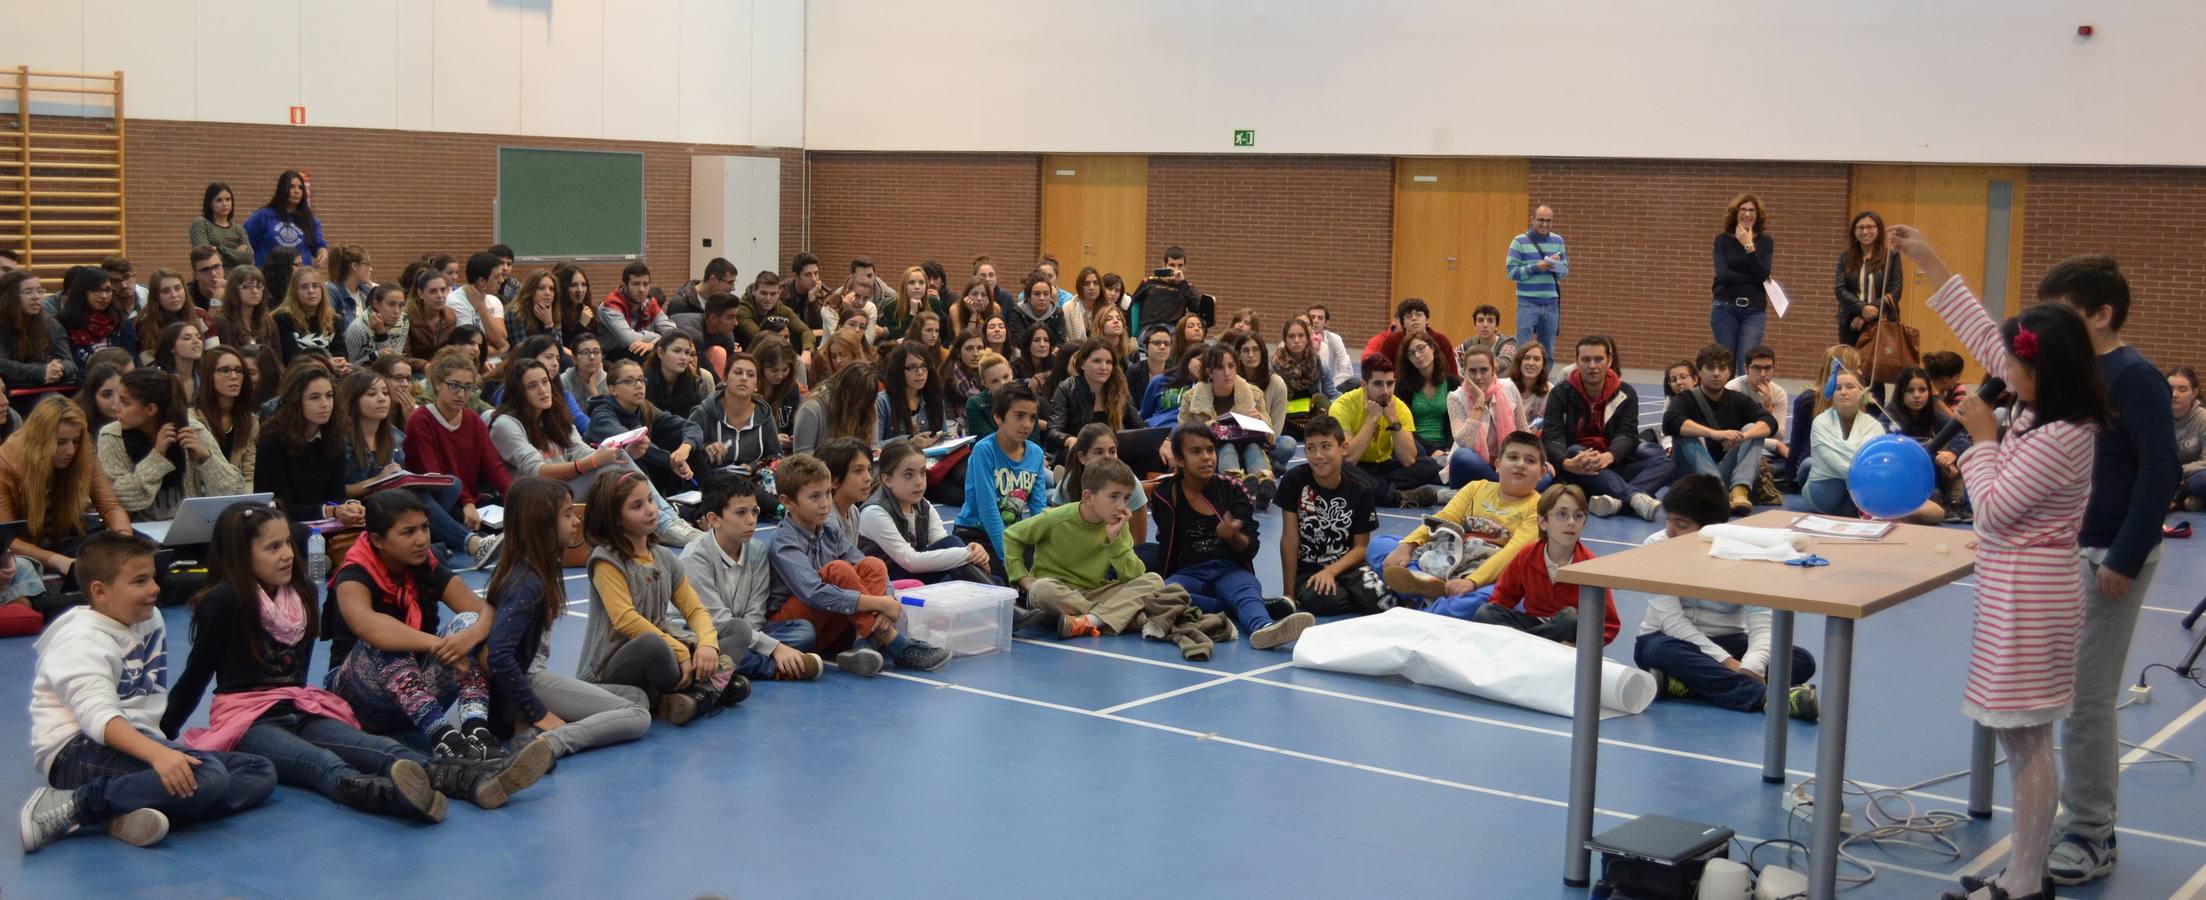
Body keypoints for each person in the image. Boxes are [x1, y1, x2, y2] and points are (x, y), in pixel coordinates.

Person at [1894, 228, 2168, 893]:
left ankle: (2089, 831)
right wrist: (1930, 262)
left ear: (2097, 317)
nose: (2013, 356)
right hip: (2049, 558)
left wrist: (2124, 556)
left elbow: (2157, 475)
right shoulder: (2054, 384)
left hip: (2099, 553)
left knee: (2081, 705)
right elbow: (1990, 337)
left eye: (2060, 313)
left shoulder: (2123, 385)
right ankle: (2039, 854)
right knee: (2042, 717)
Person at [159, 504, 446, 823]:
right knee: (321, 763)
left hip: (298, 706)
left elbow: (296, 674)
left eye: (287, 544)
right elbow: (197, 673)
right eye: (272, 547)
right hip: (249, 721)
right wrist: (163, 734)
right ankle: (398, 798)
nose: (287, 555)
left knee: (377, 748)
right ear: (241, 554)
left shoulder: (301, 593)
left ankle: (462, 778)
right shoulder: (223, 601)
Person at [19, 531, 276, 853]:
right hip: (76, 751)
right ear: (99, 591)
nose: (155, 588)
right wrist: (159, 754)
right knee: (209, 778)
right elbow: (99, 719)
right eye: (140, 581)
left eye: (153, 577)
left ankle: (126, 810)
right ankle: (76, 804)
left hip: (133, 740)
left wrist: (162, 748)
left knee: (257, 769)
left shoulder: (148, 617)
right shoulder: (81, 640)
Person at [322, 490, 552, 808]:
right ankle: (443, 737)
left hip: (411, 697)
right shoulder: (353, 575)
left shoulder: (425, 565)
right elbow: (369, 627)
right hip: (359, 698)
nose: (421, 539)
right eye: (408, 532)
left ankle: (476, 730)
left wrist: (468, 639)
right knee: (389, 638)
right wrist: (438, 643)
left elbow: (484, 610)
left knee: (468, 623)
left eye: (424, 528)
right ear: (377, 540)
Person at [482, 474, 648, 756]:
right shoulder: (527, 582)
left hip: (530, 684)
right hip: (525, 687)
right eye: (567, 514)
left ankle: (529, 732)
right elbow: (499, 656)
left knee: (637, 696)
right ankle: (549, 742)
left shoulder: (538, 570)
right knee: (638, 715)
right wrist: (538, 712)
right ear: (541, 524)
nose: (576, 521)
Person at [1633, 474, 1820, 718]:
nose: (1669, 531)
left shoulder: (1745, 553)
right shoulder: (1655, 546)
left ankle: (1685, 685)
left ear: (1711, 529)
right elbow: (1672, 622)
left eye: (1681, 525)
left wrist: (1752, 665)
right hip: (1669, 640)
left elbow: (1762, 622)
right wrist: (1730, 664)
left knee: (1801, 659)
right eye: (1669, 521)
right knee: (1660, 651)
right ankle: (1768, 698)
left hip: (1729, 640)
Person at [576, 470, 747, 725]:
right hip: (616, 664)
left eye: (650, 500)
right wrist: (680, 650)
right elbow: (625, 620)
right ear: (615, 518)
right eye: (637, 506)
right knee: (652, 646)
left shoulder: (664, 557)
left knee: (739, 628)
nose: (650, 510)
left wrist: (708, 645)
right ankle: (711, 687)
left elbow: (695, 610)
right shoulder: (606, 560)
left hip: (668, 651)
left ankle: (699, 694)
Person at [766, 453, 951, 676]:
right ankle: (893, 642)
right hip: (795, 624)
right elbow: (813, 593)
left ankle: (864, 644)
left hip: (829, 620)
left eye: (827, 494)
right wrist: (880, 604)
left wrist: (888, 597)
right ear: (787, 502)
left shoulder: (829, 530)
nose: (825, 503)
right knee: (838, 569)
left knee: (873, 564)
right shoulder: (784, 542)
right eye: (815, 497)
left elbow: (865, 564)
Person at [1151, 425, 1315, 649]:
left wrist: (1233, 536)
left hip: (1229, 569)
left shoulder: (1233, 489)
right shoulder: (1165, 494)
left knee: (1246, 590)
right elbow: (1166, 543)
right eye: (1196, 452)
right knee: (1161, 595)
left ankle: (1263, 628)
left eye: (1210, 450)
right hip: (1189, 572)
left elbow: (1251, 547)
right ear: (1179, 460)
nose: (1207, 457)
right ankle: (1235, 607)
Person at [1006, 455, 1182, 641]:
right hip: (1058, 593)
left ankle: (1090, 621)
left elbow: (1134, 577)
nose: (1122, 506)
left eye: (1126, 498)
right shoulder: (1057, 518)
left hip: (1095, 591)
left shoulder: (1118, 524)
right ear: (1088, 497)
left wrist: (1116, 541)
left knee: (1153, 580)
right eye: (1114, 497)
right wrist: (1022, 577)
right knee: (1041, 589)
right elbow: (1012, 536)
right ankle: (1119, 618)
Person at [1373, 430, 1546, 617]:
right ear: (1497, 464)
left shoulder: (1540, 508)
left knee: (1492, 598)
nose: (1521, 465)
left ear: (1541, 473)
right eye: (1513, 457)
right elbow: (1445, 518)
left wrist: (1473, 581)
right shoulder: (1475, 488)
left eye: (1530, 461)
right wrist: (1407, 546)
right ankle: (1430, 589)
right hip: (1447, 557)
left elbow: (1513, 554)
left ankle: (1421, 603)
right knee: (1380, 544)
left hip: (1486, 575)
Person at [681, 474, 824, 684]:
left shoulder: (757, 551)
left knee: (804, 631)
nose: (751, 520)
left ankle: (729, 667)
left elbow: (756, 615)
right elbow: (715, 620)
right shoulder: (695, 558)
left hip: (744, 632)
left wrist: (755, 641)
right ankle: (775, 669)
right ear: (714, 519)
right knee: (695, 650)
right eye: (740, 513)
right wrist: (775, 648)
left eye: (754, 511)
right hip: (702, 634)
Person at [1472, 484, 1618, 644]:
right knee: (1485, 612)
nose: (1571, 522)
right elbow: (1501, 598)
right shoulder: (1528, 554)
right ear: (1543, 522)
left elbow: (1609, 624)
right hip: (1534, 623)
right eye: (1562, 514)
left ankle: (1524, 645)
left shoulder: (1589, 564)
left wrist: (1578, 644)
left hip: (1567, 631)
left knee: (1571, 618)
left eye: (1578, 516)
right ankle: (1535, 645)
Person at [1542, 335, 1667, 521]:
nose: (1592, 365)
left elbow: (1627, 434)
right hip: (1576, 468)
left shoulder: (1626, 393)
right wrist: (1566, 463)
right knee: (1576, 450)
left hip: (1612, 464)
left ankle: (1615, 501)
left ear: (1609, 360)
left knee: (1667, 462)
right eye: (1585, 359)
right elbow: (1552, 436)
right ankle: (1633, 496)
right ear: (1577, 361)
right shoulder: (1560, 393)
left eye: (1598, 359)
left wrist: (1609, 456)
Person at [402, 349, 513, 552]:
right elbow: (435, 477)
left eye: (468, 387)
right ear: (437, 383)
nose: (461, 394)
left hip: (472, 502)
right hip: (441, 502)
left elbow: (494, 468)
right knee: (450, 487)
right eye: (454, 386)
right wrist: (466, 502)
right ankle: (472, 543)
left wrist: (517, 497)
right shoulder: (421, 420)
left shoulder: (472, 419)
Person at [100, 369, 247, 521]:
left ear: (151, 409)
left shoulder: (192, 430)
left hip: (192, 529)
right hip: (137, 534)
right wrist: (156, 457)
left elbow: (234, 492)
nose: (115, 407)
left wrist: (207, 458)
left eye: (124, 402)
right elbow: (122, 498)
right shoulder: (112, 436)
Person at [1277, 415, 1385, 616]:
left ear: (1343, 448)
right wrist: (1289, 595)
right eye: (1310, 448)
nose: (1318, 455)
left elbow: (1361, 548)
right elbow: (1290, 539)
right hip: (1309, 571)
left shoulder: (1360, 489)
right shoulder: (1294, 480)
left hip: (1349, 567)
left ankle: (1364, 591)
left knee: (1382, 601)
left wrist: (1331, 571)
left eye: (1326, 446)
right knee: (1324, 601)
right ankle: (1352, 594)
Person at [857, 440, 992, 585]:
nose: (919, 482)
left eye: (922, 472)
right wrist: (967, 553)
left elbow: (941, 542)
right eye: (909, 475)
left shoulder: (923, 506)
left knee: (955, 560)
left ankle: (996, 592)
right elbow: (910, 561)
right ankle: (997, 593)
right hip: (884, 582)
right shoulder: (874, 512)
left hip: (913, 575)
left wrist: (972, 551)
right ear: (887, 479)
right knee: (956, 555)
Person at [1663, 344, 1777, 515]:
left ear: (1729, 372)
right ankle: (1718, 491)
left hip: (1723, 471)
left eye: (1722, 368)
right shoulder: (1684, 399)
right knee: (1686, 434)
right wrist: (1714, 434)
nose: (1716, 373)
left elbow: (1770, 422)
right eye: (1710, 368)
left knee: (1754, 428)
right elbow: (1670, 422)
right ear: (1699, 373)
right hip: (1691, 474)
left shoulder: (1739, 400)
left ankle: (1739, 489)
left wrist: (1743, 437)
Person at [254, 366, 365, 532]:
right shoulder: (272, 443)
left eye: (329, 396)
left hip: (325, 526)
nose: (325, 404)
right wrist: (329, 511)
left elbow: (335, 495)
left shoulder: (334, 438)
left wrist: (349, 506)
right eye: (315, 397)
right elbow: (278, 507)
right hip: (284, 529)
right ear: (296, 401)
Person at [587, 357, 704, 506]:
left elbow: (691, 426)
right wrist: (670, 460)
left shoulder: (644, 407)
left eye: (641, 380)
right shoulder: (601, 413)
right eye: (629, 381)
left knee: (680, 438)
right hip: (608, 481)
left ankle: (707, 498)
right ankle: (665, 512)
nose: (639, 386)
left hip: (646, 472)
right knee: (637, 451)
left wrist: (684, 448)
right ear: (612, 389)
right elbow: (630, 440)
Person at [1329, 354, 1442, 507]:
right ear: (1364, 384)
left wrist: (1393, 420)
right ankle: (1395, 496)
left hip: (1384, 467)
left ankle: (1372, 490)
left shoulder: (1398, 407)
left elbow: (1408, 460)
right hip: (1356, 467)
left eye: (1390, 384)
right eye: (1378, 384)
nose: (1386, 391)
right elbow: (1349, 459)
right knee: (1339, 467)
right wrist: (1371, 419)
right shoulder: (1342, 406)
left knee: (1428, 466)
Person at [1178, 341, 1277, 502]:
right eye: (1220, 367)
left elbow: (1271, 438)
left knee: (1252, 446)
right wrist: (1213, 426)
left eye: (1231, 366)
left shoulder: (1254, 394)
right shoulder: (1191, 397)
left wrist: (1260, 420)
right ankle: (1235, 482)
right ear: (1209, 371)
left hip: (1249, 445)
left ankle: (1263, 483)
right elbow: (1182, 435)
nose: (1227, 372)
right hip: (1213, 451)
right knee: (1227, 445)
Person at [688, 351, 780, 509]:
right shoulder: (703, 412)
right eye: (738, 372)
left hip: (752, 484)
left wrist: (752, 467)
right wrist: (706, 450)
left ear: (756, 383)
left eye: (751, 375)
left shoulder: (763, 414)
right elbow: (687, 450)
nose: (744, 378)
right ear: (725, 378)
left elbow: (774, 456)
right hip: (712, 487)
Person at [1887, 366, 1971, 523]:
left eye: (1922, 390)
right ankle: (1940, 501)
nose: (1917, 396)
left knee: (1955, 452)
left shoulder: (1935, 416)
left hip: (1939, 473)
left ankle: (1956, 503)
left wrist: (1952, 454)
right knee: (1929, 452)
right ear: (1900, 393)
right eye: (1910, 391)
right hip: (1905, 478)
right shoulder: (1888, 416)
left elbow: (1962, 436)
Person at [1050, 423, 1150, 544]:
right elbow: (1057, 535)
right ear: (1082, 457)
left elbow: (1138, 539)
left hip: (1118, 550)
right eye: (1098, 452)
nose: (1107, 457)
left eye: (1112, 451)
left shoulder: (1131, 484)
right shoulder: (1068, 484)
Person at [1802, 368, 1883, 516]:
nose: (1843, 392)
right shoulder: (1820, 422)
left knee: (1809, 463)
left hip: (1860, 490)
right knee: (1812, 466)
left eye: (1850, 387)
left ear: (1862, 392)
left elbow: (1876, 463)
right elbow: (1833, 461)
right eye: (1838, 388)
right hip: (1825, 492)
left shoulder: (1875, 426)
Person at [1045, 338, 1141, 461]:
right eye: (1097, 361)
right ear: (1083, 364)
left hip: (1111, 454)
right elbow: (1053, 431)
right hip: (1080, 454)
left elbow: (1138, 426)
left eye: (1109, 362)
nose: (1104, 367)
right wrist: (1068, 440)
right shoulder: (1067, 388)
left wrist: (1160, 444)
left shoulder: (1119, 389)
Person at [1445, 344, 1524, 488]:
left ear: (1494, 370)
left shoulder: (1509, 387)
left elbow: (1523, 430)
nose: (1478, 376)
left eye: (1484, 370)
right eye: (1472, 371)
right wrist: (1479, 401)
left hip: (1505, 465)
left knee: (1546, 474)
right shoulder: (1455, 397)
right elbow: (1464, 442)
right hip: (1472, 467)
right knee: (1462, 456)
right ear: (1465, 372)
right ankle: (1508, 487)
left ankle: (1498, 487)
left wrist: (1540, 458)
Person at [1711, 193, 1775, 370]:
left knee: (1747, 363)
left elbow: (1762, 275)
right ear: (1736, 213)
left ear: (1758, 215)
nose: (1747, 214)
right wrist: (1751, 277)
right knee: (1726, 364)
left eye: (1752, 210)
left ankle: (1743, 398)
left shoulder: (1765, 242)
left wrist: (1749, 245)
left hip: (1754, 311)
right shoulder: (1722, 240)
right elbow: (1723, 275)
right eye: (1743, 210)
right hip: (1725, 308)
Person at [1835, 211, 1903, 351]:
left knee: (1879, 368)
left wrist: (1867, 315)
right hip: (1850, 322)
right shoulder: (1845, 257)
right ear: (1854, 232)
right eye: (1860, 228)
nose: (1865, 231)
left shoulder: (1891, 256)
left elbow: (1895, 291)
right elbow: (1840, 289)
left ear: (1878, 229)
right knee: (1851, 367)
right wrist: (1861, 308)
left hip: (1882, 322)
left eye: (1870, 227)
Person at [1, 270, 79, 391]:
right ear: (10, 296)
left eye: (40, 291)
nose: (36, 297)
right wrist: (41, 371)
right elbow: (2, 365)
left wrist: (59, 369)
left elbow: (70, 363)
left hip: (47, 387)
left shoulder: (51, 324)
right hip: (11, 392)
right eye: (28, 292)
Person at [1505, 205, 1568, 353]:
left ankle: (1543, 376)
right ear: (1532, 220)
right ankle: (1521, 376)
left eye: (1548, 221)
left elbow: (1564, 271)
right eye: (1541, 220)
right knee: (1523, 349)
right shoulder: (1519, 241)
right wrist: (1536, 267)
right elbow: (1511, 272)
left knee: (1548, 351)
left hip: (1551, 304)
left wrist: (1555, 267)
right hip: (1527, 302)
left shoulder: (1558, 241)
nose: (1545, 224)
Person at [1724, 345, 1790, 471]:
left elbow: (1778, 436)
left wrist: (1768, 409)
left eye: (1767, 368)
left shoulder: (1778, 394)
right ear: (1746, 368)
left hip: (1764, 447)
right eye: (1757, 368)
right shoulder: (1733, 390)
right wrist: (1776, 446)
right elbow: (1732, 437)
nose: (1763, 374)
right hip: (1735, 448)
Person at [1362, 298, 1459, 383]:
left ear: (1427, 320)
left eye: (1419, 314)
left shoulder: (1441, 340)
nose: (1414, 318)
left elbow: (1452, 373)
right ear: (1402, 323)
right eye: (1408, 316)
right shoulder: (1392, 341)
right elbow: (1380, 369)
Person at [241, 171, 326, 268]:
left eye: (300, 187)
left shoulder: (310, 219)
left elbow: (318, 245)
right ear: (282, 190)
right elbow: (244, 242)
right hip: (269, 277)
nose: (297, 191)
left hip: (300, 278)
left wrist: (322, 252)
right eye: (291, 187)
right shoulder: (264, 215)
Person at [56, 266, 136, 367]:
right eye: (97, 290)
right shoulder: (64, 323)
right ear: (82, 292)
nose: (104, 296)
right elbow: (65, 365)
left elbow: (133, 361)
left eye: (108, 290)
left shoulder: (121, 322)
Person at [876, 340, 949, 448]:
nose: (920, 372)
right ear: (898, 370)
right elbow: (874, 447)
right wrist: (910, 441)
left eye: (924, 366)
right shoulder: (882, 402)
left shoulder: (934, 397)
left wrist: (950, 437)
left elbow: (943, 435)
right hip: (898, 462)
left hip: (935, 461)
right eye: (912, 367)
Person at [272, 266, 344, 368]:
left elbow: (340, 351)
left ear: (322, 290)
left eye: (315, 286)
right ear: (295, 292)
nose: (311, 291)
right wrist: (326, 364)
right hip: (299, 376)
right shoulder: (283, 318)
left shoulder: (333, 319)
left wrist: (340, 363)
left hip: (331, 376)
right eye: (304, 287)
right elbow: (291, 357)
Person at [447, 252, 510, 363]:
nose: (502, 280)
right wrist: (499, 350)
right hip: (469, 365)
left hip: (497, 363)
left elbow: (501, 340)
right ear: (482, 281)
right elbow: (468, 349)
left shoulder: (494, 301)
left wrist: (481, 306)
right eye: (497, 277)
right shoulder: (455, 302)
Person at [1130, 246, 1201, 333]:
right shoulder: (1150, 282)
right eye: (1172, 265)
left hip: (1174, 329)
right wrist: (1132, 334)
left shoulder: (1186, 287)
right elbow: (1133, 303)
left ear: (1184, 267)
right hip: (1150, 328)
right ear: (1164, 265)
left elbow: (1198, 309)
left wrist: (1183, 283)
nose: (1176, 270)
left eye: (1180, 266)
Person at [213, 264, 279, 351]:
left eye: (259, 286)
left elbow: (277, 360)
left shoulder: (268, 321)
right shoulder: (221, 323)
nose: (255, 291)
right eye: (247, 286)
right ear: (234, 290)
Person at [190, 183, 253, 270]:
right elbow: (206, 256)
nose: (225, 204)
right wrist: (236, 254)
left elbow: (249, 258)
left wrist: (219, 249)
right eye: (219, 200)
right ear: (210, 204)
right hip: (212, 279)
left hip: (236, 280)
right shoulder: (201, 224)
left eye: (228, 199)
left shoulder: (239, 230)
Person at [668, 257, 738, 329]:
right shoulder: (680, 304)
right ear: (713, 279)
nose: (733, 288)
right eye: (730, 282)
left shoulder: (724, 301)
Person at [2173, 367, 2205, 510]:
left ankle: (2180, 496)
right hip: (2166, 476)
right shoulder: (2156, 417)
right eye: (2170, 388)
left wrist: (2180, 476)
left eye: (2182, 389)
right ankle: (2188, 501)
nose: (2174, 394)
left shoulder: (2203, 418)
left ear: (2194, 393)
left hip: (2193, 478)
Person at [1305, 304, 1356, 392]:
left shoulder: (1335, 339)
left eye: (1320, 318)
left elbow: (1346, 370)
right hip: (1307, 386)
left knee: (1356, 383)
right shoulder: (1300, 340)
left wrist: (1330, 388)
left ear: (1326, 323)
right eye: (1312, 317)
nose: (1316, 321)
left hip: (1333, 385)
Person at [1509, 340, 1551, 429]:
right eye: (1526, 358)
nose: (1531, 363)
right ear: (1519, 362)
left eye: (1536, 359)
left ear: (1543, 365)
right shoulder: (1506, 387)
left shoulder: (1550, 391)